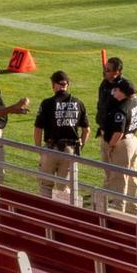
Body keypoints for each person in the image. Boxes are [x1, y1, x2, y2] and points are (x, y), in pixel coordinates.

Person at [32, 70, 89, 204]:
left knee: (45, 185)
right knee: (65, 187)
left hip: (51, 149)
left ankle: (44, 211)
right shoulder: (78, 103)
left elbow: (38, 128)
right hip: (70, 151)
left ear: (54, 85)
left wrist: (38, 148)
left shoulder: (47, 103)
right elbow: (86, 129)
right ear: (67, 85)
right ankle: (65, 215)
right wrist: (79, 147)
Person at [97, 74, 137, 215]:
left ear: (123, 93)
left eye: (116, 90)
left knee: (118, 179)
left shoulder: (121, 108)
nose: (114, 92)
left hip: (120, 144)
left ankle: (118, 211)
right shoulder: (135, 103)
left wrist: (111, 146)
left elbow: (118, 131)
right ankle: (133, 210)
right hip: (132, 140)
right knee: (131, 178)